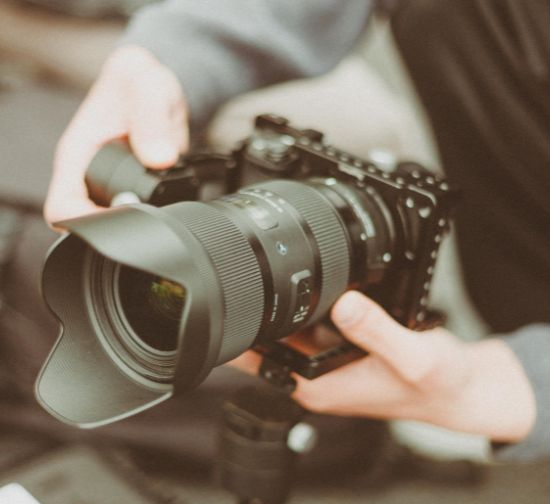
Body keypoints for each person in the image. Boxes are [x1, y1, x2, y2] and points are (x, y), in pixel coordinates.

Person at [44, 0, 550, 461]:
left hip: (525, 296)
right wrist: (174, 59)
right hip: (469, 141)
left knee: (443, 426)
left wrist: (522, 381)